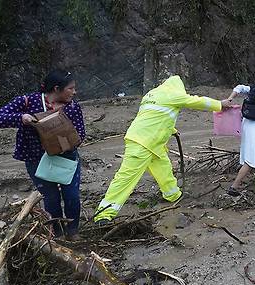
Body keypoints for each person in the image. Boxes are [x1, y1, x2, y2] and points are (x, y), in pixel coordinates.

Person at [94, 75, 231, 223]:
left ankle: (173, 195)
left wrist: (171, 129)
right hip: (143, 143)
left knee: (163, 169)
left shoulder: (151, 94)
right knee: (125, 178)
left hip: (151, 142)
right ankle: (104, 214)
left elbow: (156, 116)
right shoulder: (172, 94)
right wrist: (220, 104)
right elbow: (196, 101)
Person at [0, 69, 85, 239]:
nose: (74, 92)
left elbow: (80, 133)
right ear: (57, 89)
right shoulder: (28, 102)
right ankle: (56, 233)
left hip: (67, 158)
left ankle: (73, 232)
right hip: (36, 158)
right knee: (51, 198)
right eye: (70, 89)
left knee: (71, 195)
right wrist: (21, 118)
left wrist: (67, 143)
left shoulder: (73, 106)